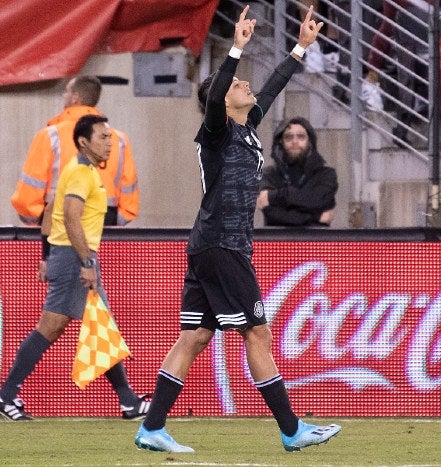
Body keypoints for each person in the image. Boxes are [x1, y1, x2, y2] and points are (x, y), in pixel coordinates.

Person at [134, 5, 341, 453]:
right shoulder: (217, 132)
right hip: (223, 246)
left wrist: (301, 46)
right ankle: (291, 430)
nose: (246, 83)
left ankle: (151, 428)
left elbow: (272, 83)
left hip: (212, 245)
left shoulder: (247, 129)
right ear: (224, 99)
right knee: (257, 332)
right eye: (236, 83)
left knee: (194, 336)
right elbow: (216, 100)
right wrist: (234, 49)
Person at [0, 115, 149, 422]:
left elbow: (50, 209)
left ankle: (128, 401)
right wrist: (88, 262)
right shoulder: (82, 173)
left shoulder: (78, 170)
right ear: (84, 141)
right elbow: (69, 217)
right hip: (74, 258)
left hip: (65, 255)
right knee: (60, 327)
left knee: (95, 326)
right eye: (103, 137)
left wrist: (46, 255)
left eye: (109, 137)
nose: (110, 143)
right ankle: (6, 395)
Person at [10, 75, 139, 282]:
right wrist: (113, 223)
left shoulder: (50, 136)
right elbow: (129, 196)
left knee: (62, 302)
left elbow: (28, 195)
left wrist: (39, 224)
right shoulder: (119, 140)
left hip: (59, 232)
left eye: (66, 92)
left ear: (75, 97)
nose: (64, 96)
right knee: (86, 301)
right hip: (105, 229)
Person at [257, 117, 338, 226]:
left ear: (310, 141)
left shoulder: (326, 175)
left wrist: (275, 196)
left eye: (301, 137)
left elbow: (317, 200)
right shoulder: (268, 174)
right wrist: (315, 217)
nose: (295, 141)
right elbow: (272, 214)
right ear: (281, 142)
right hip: (278, 241)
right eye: (289, 137)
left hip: (316, 241)